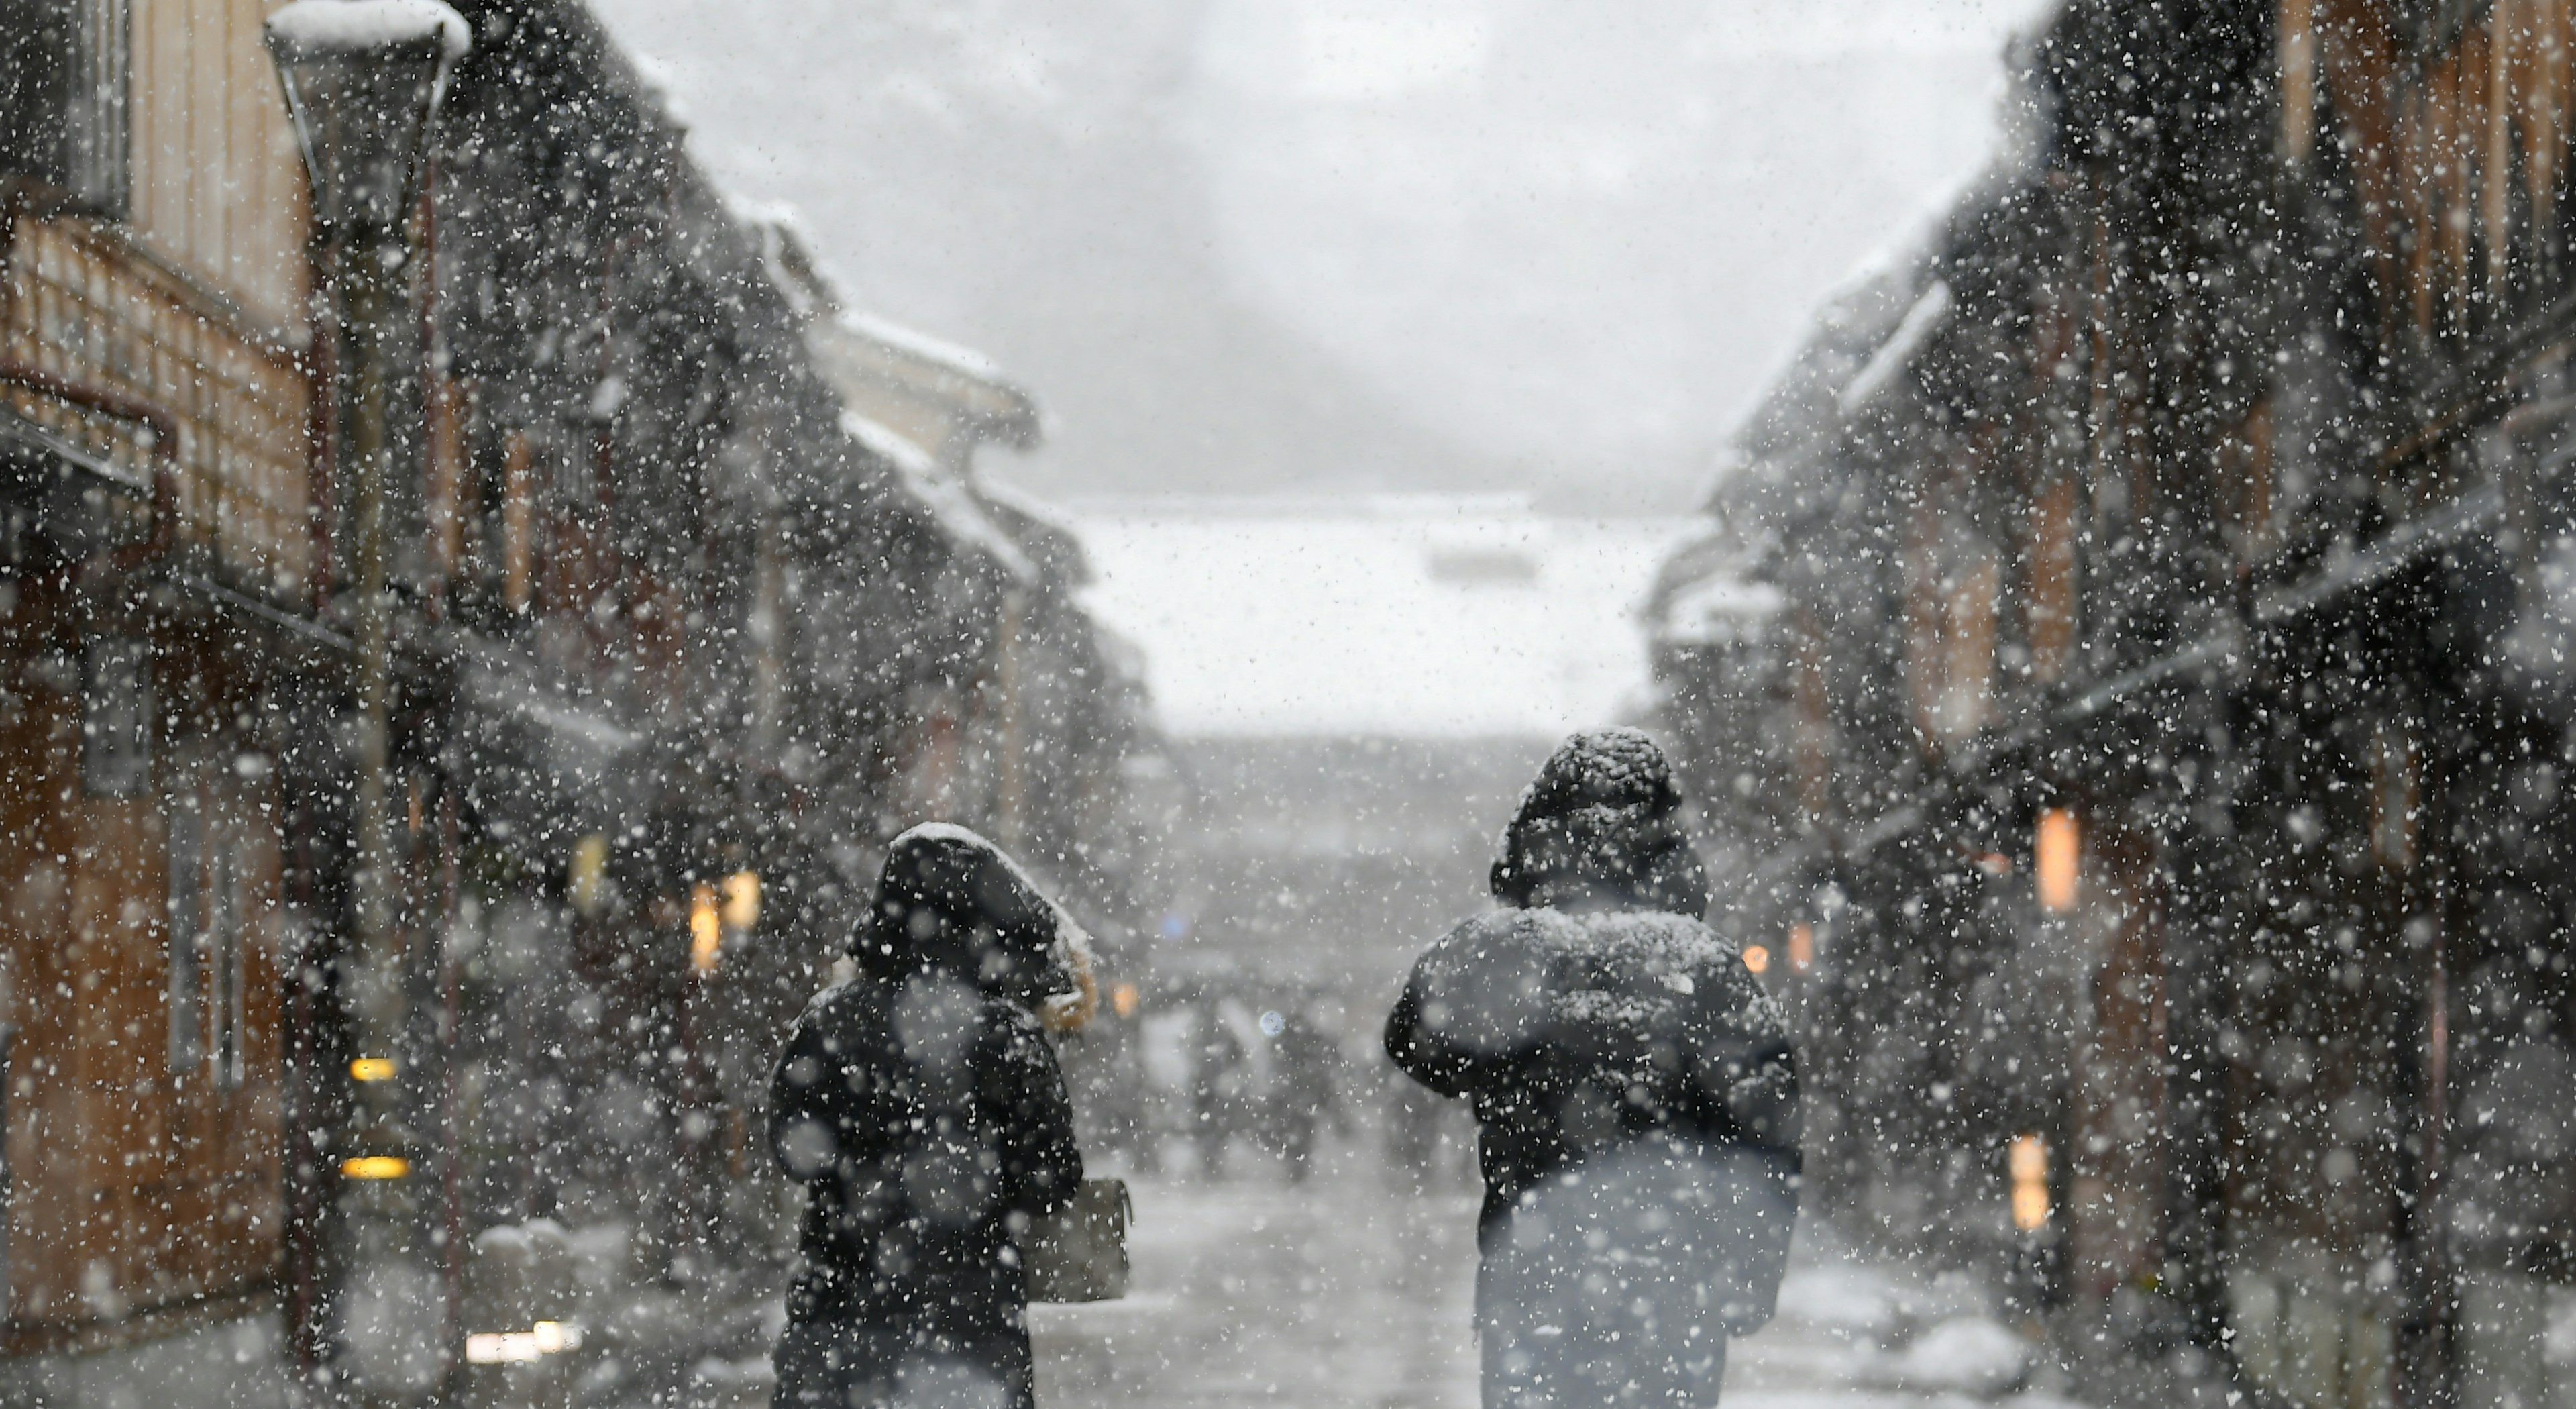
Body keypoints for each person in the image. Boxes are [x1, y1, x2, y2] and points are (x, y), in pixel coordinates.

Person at [1385, 729, 1801, 1408]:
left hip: (1535, 1272)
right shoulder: (1705, 965)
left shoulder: (1505, 952)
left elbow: (1415, 1045)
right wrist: (1752, 1274)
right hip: (1674, 1283)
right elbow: (1765, 1131)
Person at [767, 823, 1089, 1409]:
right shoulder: (1007, 1036)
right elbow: (1052, 1180)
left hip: (841, 1322)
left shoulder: (828, 1024)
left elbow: (792, 1150)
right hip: (968, 1331)